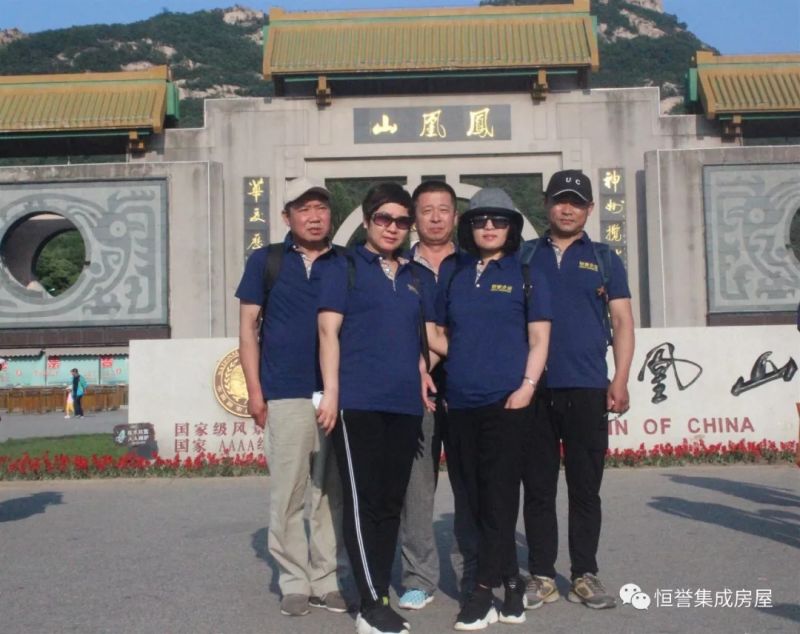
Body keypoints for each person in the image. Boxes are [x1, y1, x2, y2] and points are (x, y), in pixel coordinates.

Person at [317, 182, 439, 634]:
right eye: (384, 219)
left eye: (402, 221)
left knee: (390, 503)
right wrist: (332, 393)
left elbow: (417, 338)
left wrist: (422, 370)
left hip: (404, 405)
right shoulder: (344, 267)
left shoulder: (414, 277)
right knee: (362, 502)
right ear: (368, 221)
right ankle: (370, 605)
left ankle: (379, 593)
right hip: (358, 403)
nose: (393, 227)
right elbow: (328, 333)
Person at [431, 188, 551, 630]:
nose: (488, 227)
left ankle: (482, 592)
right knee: (471, 499)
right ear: (468, 227)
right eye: (480, 220)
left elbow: (539, 340)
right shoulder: (455, 274)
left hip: (508, 402)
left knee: (499, 498)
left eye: (499, 220)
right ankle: (512, 583)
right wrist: (455, 360)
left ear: (512, 228)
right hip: (461, 402)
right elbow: (437, 332)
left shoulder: (527, 274)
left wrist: (526, 387)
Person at [521, 170, 635, 610]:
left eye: (575, 202)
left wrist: (619, 378)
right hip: (535, 388)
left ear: (589, 209)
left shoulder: (604, 258)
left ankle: (585, 573)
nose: (566, 209)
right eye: (559, 200)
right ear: (546, 204)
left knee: (586, 488)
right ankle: (541, 575)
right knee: (538, 487)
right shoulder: (524, 256)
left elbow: (622, 322)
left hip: (587, 386)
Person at [236, 177, 348, 618]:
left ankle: (326, 578)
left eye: (321, 208)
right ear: (287, 217)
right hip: (285, 392)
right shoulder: (267, 261)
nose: (314, 217)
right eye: (304, 209)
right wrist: (255, 392)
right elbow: (247, 330)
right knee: (289, 492)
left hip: (337, 394)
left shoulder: (346, 262)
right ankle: (294, 581)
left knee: (329, 491)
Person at [398, 180, 478, 611]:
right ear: (414, 218)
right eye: (426, 210)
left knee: (470, 484)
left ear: (455, 216)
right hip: (413, 391)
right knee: (416, 487)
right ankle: (419, 577)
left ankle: (473, 574)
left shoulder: (473, 266)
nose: (435, 217)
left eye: (443, 209)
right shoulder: (398, 268)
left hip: (467, 389)